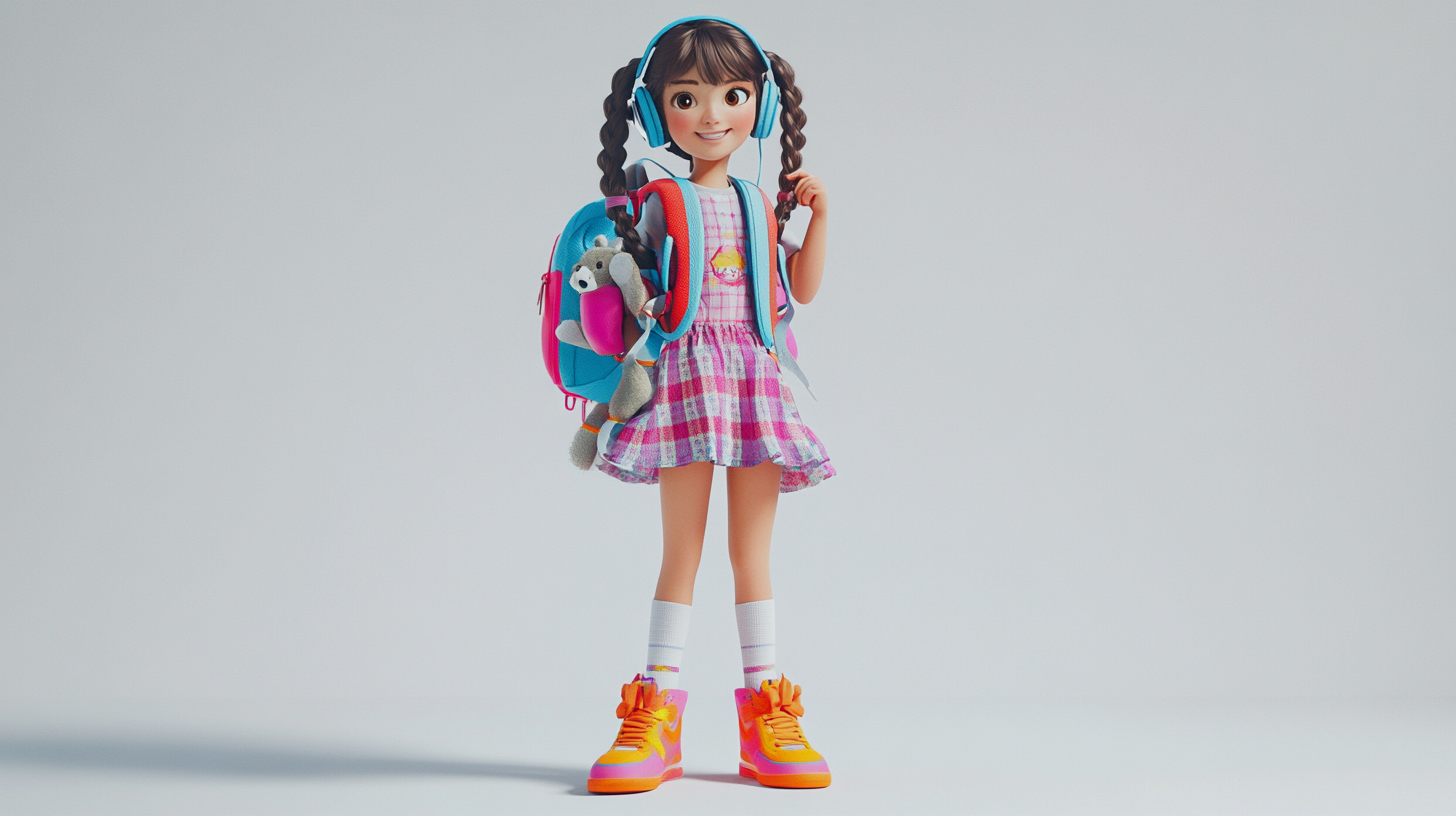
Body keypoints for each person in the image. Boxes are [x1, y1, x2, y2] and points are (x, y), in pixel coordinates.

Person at [580, 17, 836, 794]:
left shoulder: (763, 204)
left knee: (750, 554)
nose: (713, 114)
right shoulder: (658, 200)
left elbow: (801, 291)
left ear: (757, 106)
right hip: (687, 381)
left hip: (753, 382)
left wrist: (820, 219)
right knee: (681, 550)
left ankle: (768, 711)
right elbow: (632, 283)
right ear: (659, 114)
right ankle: (655, 710)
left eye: (733, 94)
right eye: (688, 97)